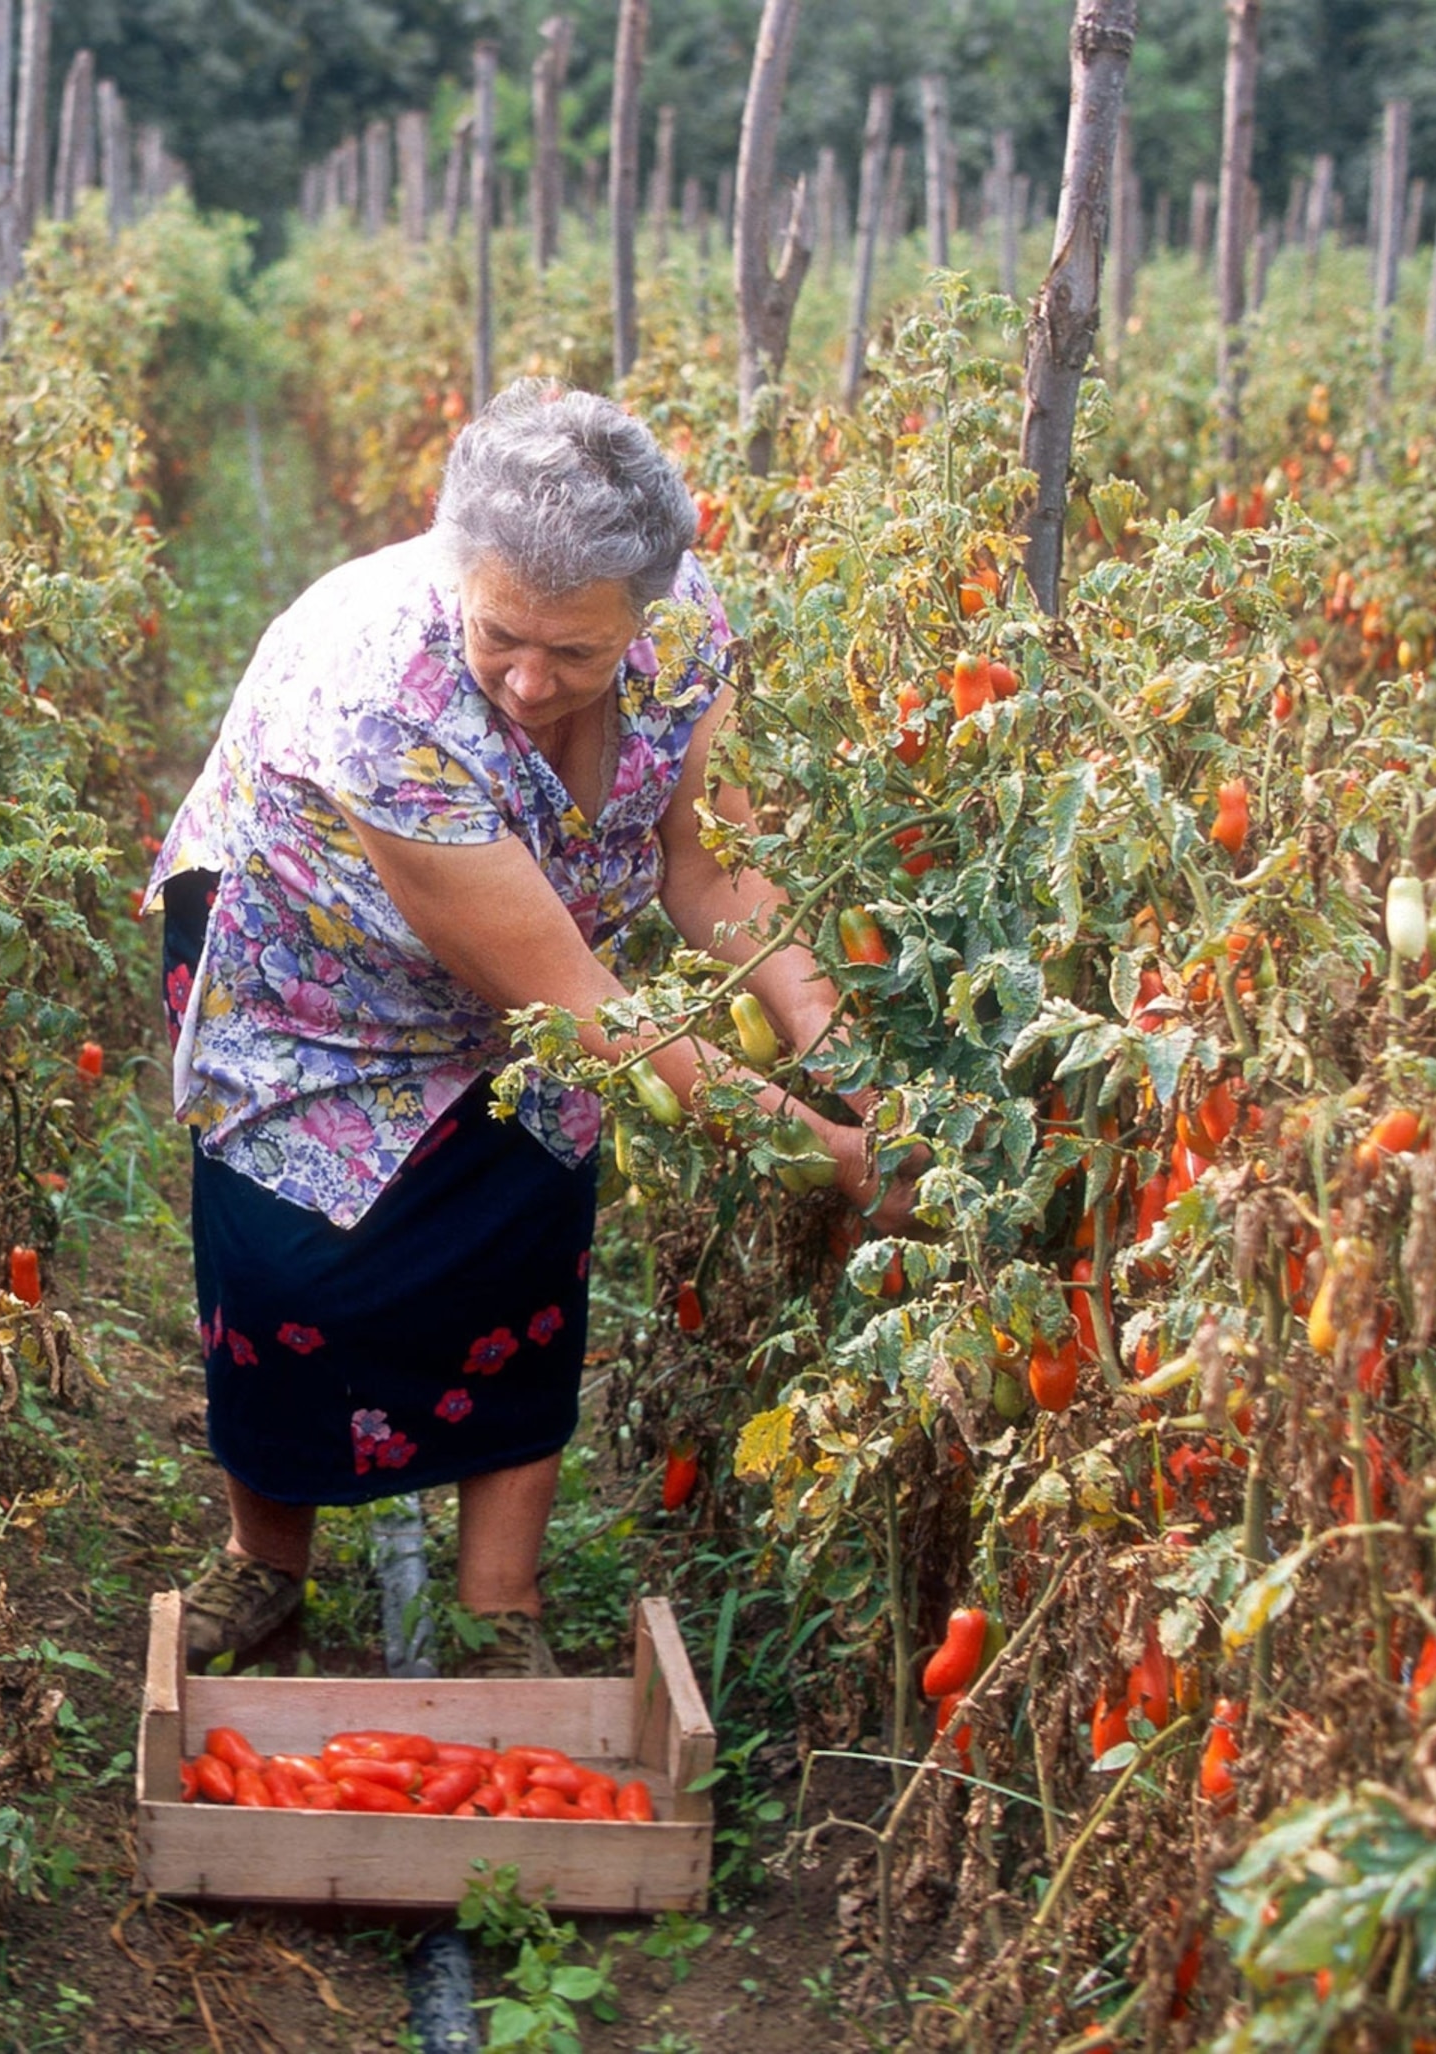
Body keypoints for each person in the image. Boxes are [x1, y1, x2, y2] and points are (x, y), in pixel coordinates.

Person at [145, 379, 885, 1675]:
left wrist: (834, 1045)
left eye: (578, 653)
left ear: (645, 613)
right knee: (287, 1276)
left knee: (519, 1257)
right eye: (503, 636)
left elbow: (703, 870)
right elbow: (581, 1010)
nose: (533, 680)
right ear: (453, 569)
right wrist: (831, 1154)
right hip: (316, 988)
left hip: (537, 982)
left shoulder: (689, 638)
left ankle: (499, 1607)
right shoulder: (389, 692)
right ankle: (265, 1566)